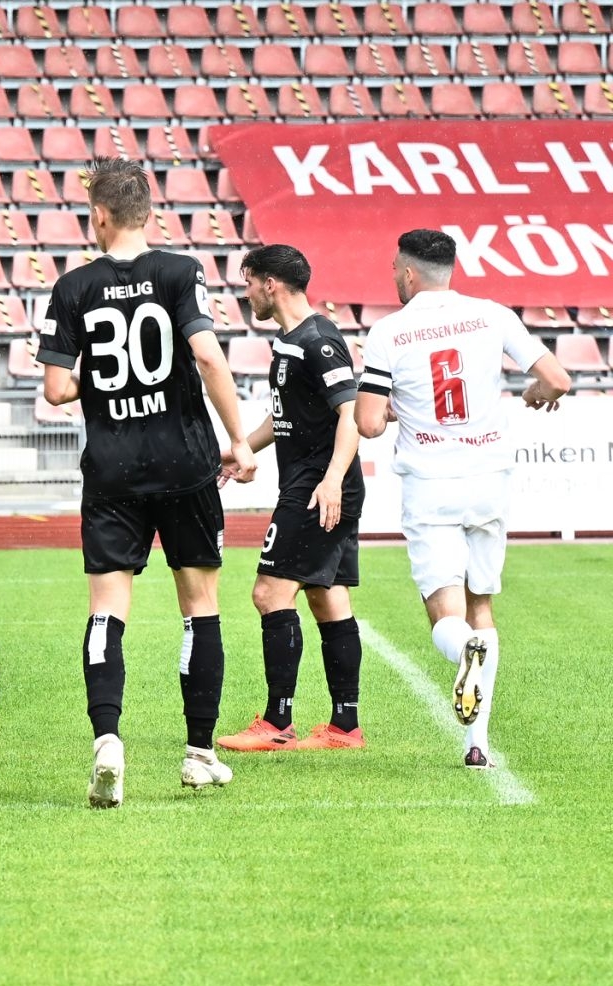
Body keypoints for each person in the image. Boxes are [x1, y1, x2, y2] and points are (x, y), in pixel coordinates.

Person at [37, 157, 257, 807]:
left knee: (106, 608)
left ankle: (108, 741)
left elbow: (56, 389)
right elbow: (207, 355)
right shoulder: (180, 272)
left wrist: (105, 375)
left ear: (99, 215)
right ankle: (199, 754)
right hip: (185, 463)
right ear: (149, 213)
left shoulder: (73, 287)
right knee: (200, 604)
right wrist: (240, 440)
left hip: (112, 469)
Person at [354, 229, 570, 769]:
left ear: (408, 273)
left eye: (394, 270)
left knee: (446, 615)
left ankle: (462, 649)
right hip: (489, 478)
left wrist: (396, 409)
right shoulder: (492, 315)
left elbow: (368, 422)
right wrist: (536, 393)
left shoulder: (389, 331)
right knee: (481, 606)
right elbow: (558, 380)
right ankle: (478, 744)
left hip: (432, 483)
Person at [215, 244, 367, 752]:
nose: (246, 293)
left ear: (270, 284)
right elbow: (283, 417)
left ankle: (277, 723)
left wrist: (331, 480)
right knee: (327, 596)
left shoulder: (317, 341)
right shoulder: (291, 340)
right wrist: (240, 449)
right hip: (317, 482)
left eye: (248, 282)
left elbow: (350, 414)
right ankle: (345, 727)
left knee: (269, 593)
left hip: (318, 486)